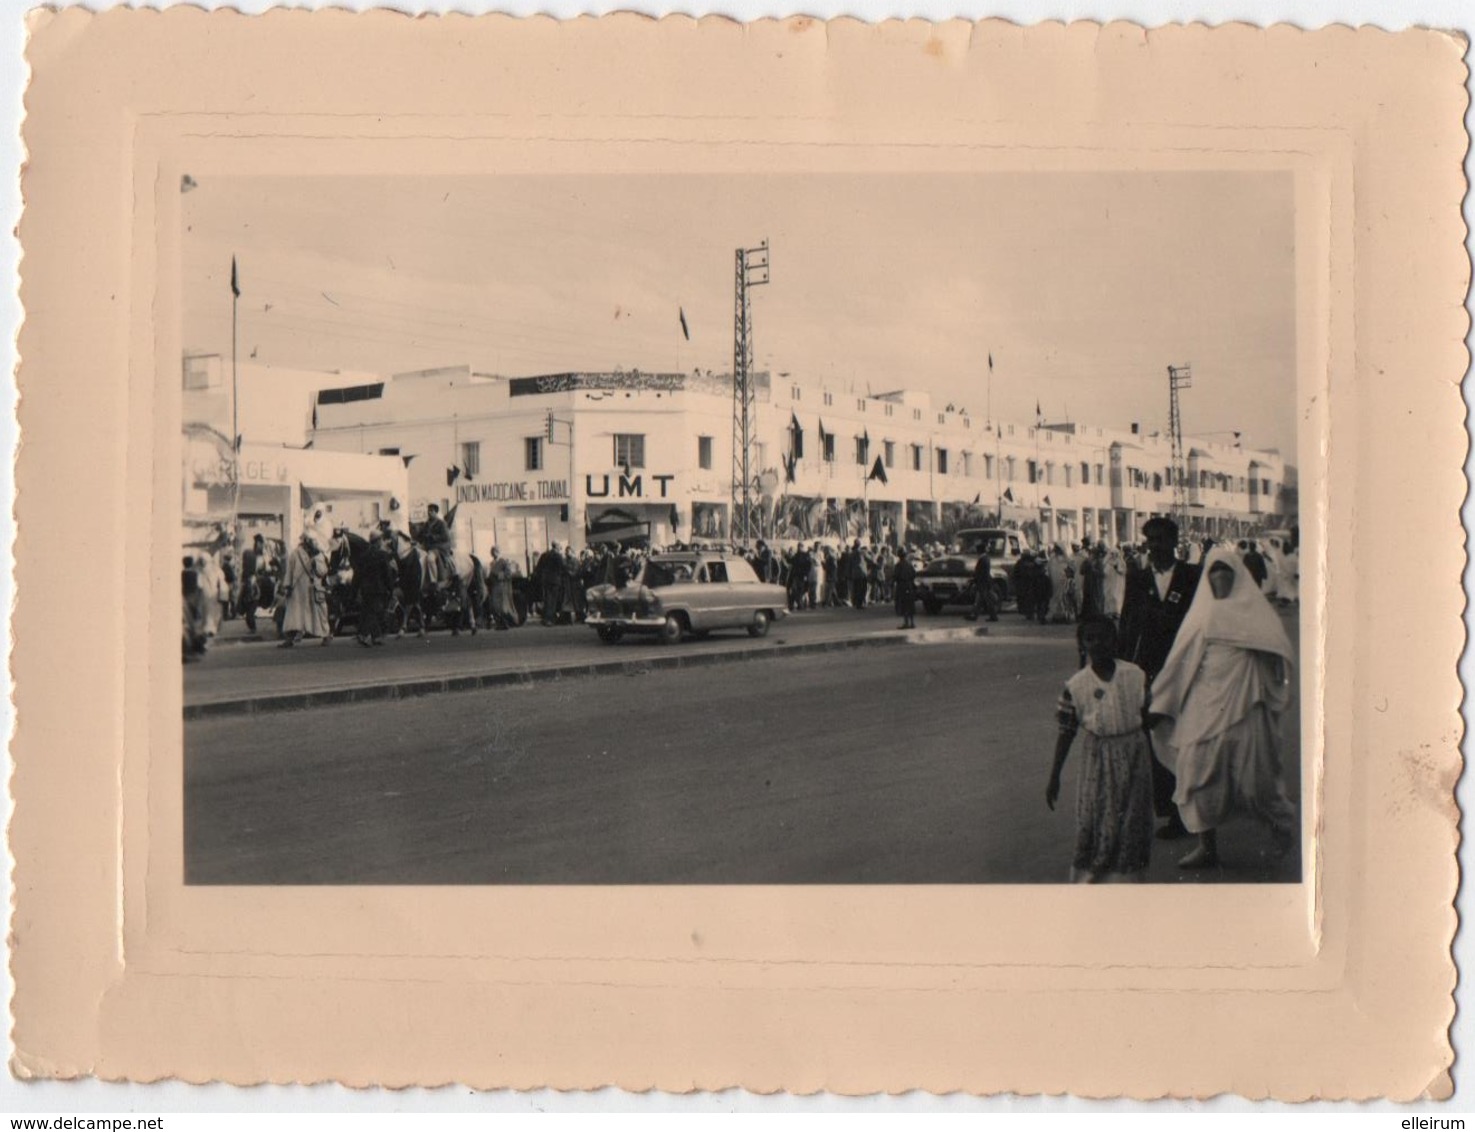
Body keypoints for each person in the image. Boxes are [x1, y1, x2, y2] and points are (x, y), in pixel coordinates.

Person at [1149, 548, 1298, 869]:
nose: (1219, 582)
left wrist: (1267, 673)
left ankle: (1280, 828)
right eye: (1213, 576)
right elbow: (1179, 664)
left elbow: (1278, 652)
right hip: (1203, 706)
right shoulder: (1201, 617)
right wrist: (1162, 702)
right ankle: (1207, 846)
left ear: (1238, 578)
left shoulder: (1257, 615)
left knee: (1255, 781)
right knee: (1196, 773)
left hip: (1246, 705)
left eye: (1225, 575)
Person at [1046, 616, 1155, 883]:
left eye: (1104, 637)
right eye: (1090, 638)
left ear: (1115, 641)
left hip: (1135, 757)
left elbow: (1149, 715)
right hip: (1099, 761)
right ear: (1082, 645)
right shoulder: (1076, 685)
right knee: (1098, 818)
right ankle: (1091, 880)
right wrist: (1054, 776)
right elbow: (1066, 732)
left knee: (1133, 820)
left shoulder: (1134, 676)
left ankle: (1128, 883)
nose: (1098, 644)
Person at [1117, 516, 1203, 840]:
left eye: (1160, 539)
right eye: (1149, 539)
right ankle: (1171, 811)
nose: (1154, 546)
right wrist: (1124, 665)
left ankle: (1192, 809)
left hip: (1186, 669)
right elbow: (1127, 622)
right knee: (1158, 740)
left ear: (1174, 541)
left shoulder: (1192, 576)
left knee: (1187, 739)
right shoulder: (1137, 578)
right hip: (1151, 669)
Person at [279, 533, 331, 647]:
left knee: (319, 613)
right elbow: (290, 571)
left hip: (313, 589)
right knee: (294, 615)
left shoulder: (318, 554)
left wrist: (315, 564)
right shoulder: (295, 553)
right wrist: (287, 586)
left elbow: (323, 571)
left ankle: (326, 635)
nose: (310, 544)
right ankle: (289, 639)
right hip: (298, 590)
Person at [355, 532, 396, 646]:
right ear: (378, 542)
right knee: (374, 612)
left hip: (365, 589)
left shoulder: (363, 556)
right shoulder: (382, 555)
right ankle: (364, 635)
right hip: (378, 589)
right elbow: (387, 573)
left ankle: (375, 636)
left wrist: (356, 589)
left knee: (369, 611)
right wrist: (390, 587)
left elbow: (358, 575)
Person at [422, 504, 453, 586]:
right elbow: (421, 535)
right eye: (428, 510)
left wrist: (432, 537)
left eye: (431, 511)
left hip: (439, 547)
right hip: (428, 546)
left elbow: (446, 537)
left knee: (430, 559)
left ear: (436, 512)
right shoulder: (426, 524)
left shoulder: (441, 523)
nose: (429, 512)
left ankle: (433, 581)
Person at [965, 546, 997, 622]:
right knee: (981, 600)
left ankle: (977, 616)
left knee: (983, 600)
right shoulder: (986, 558)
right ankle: (978, 615)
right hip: (985, 582)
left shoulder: (983, 559)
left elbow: (981, 572)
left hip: (983, 583)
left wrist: (975, 579)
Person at [893, 548, 918, 630]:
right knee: (910, 604)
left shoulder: (898, 565)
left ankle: (906, 623)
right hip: (909, 585)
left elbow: (895, 576)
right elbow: (914, 574)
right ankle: (912, 623)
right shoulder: (909, 564)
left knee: (904, 605)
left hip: (902, 586)